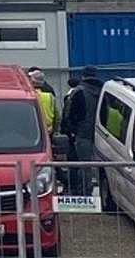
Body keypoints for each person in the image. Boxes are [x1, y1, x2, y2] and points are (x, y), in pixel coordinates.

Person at [59, 67, 104, 196]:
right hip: (103, 134)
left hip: (83, 134)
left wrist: (72, 131)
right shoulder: (104, 91)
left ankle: (85, 192)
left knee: (84, 164)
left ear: (83, 76)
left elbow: (70, 115)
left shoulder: (78, 92)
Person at [28, 68, 58, 133]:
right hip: (48, 130)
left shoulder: (29, 95)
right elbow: (57, 116)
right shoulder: (49, 96)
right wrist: (56, 130)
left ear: (32, 82)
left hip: (33, 130)